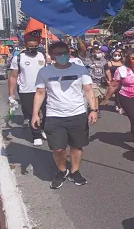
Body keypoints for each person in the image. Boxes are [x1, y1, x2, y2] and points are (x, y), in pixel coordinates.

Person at [31, 42, 97, 189]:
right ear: (52, 56)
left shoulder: (80, 70)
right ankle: (62, 170)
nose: (62, 56)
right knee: (58, 148)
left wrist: (94, 110)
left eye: (64, 53)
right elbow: (40, 93)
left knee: (76, 146)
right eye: (58, 54)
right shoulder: (45, 72)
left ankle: (75, 171)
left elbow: (88, 90)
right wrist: (35, 114)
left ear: (69, 52)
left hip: (78, 114)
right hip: (54, 115)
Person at [102, 49, 134, 155]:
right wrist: (106, 98)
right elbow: (114, 85)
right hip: (127, 97)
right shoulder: (122, 69)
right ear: (128, 59)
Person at [8, 34, 47, 146]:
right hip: (26, 91)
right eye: (31, 46)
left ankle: (43, 128)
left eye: (35, 46)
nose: (33, 49)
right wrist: (11, 93)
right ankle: (36, 135)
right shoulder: (18, 58)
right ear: (25, 45)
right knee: (32, 114)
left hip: (43, 90)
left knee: (47, 113)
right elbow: (13, 77)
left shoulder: (43, 56)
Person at [83, 46, 108, 113]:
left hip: (102, 81)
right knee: (95, 96)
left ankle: (94, 106)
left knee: (100, 97)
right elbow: (84, 70)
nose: (98, 54)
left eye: (99, 52)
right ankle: (96, 110)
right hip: (92, 81)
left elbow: (107, 70)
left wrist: (109, 79)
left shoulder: (104, 60)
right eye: (96, 52)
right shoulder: (87, 61)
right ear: (91, 53)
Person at [106, 49, 125, 114]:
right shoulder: (109, 63)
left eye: (118, 55)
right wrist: (109, 80)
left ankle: (118, 105)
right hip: (113, 80)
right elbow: (107, 71)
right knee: (117, 93)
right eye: (115, 55)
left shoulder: (123, 62)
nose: (117, 56)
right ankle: (120, 107)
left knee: (120, 94)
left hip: (122, 81)